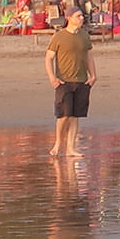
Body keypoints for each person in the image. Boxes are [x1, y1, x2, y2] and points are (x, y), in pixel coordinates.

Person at [45, 9, 95, 158]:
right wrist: (52, 78)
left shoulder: (84, 36)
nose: (81, 18)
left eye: (82, 16)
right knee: (64, 115)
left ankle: (71, 148)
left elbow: (89, 56)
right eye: (78, 16)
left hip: (81, 80)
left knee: (75, 116)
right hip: (64, 81)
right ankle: (58, 143)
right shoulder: (59, 37)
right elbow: (48, 58)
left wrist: (93, 75)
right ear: (69, 18)